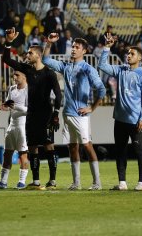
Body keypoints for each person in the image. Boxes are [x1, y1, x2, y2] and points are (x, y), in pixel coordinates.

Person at [43, 33, 106, 190]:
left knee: (87, 146)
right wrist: (49, 44)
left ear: (84, 51)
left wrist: (92, 107)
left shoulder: (87, 69)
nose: (73, 49)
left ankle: (97, 182)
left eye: (77, 47)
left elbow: (102, 89)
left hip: (81, 115)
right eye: (73, 47)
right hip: (68, 113)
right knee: (72, 147)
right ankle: (76, 182)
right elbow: (45, 60)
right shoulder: (66, 67)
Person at [2, 28, 62, 190]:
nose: (27, 56)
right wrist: (8, 41)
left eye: (30, 53)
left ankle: (53, 180)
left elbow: (58, 95)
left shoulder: (49, 73)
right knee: (33, 147)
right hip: (31, 114)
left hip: (46, 114)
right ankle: (36, 181)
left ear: (38, 55)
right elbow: (6, 59)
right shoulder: (27, 70)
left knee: (49, 146)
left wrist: (56, 114)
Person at [98, 36, 142, 191]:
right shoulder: (121, 70)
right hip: (119, 119)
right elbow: (102, 65)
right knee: (120, 151)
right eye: (128, 53)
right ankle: (122, 182)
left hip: (135, 121)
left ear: (140, 58)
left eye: (132, 54)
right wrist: (107, 48)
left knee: (139, 150)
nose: (128, 55)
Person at [0, 71, 29, 189]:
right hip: (12, 124)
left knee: (23, 155)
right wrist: (4, 107)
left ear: (24, 76)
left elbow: (29, 110)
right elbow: (9, 105)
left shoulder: (28, 90)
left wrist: (14, 106)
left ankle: (22, 182)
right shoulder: (11, 89)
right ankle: (3, 182)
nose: (14, 77)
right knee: (7, 154)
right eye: (14, 75)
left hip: (23, 125)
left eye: (17, 75)